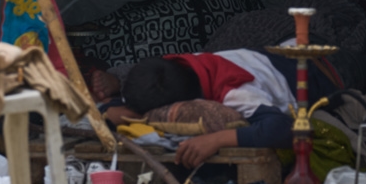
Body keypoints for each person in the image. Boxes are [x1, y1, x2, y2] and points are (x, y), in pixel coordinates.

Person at [109, 50, 338, 168]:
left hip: (328, 72)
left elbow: (282, 129)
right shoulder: (179, 67)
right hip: (279, 54)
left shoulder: (235, 91)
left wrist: (217, 140)